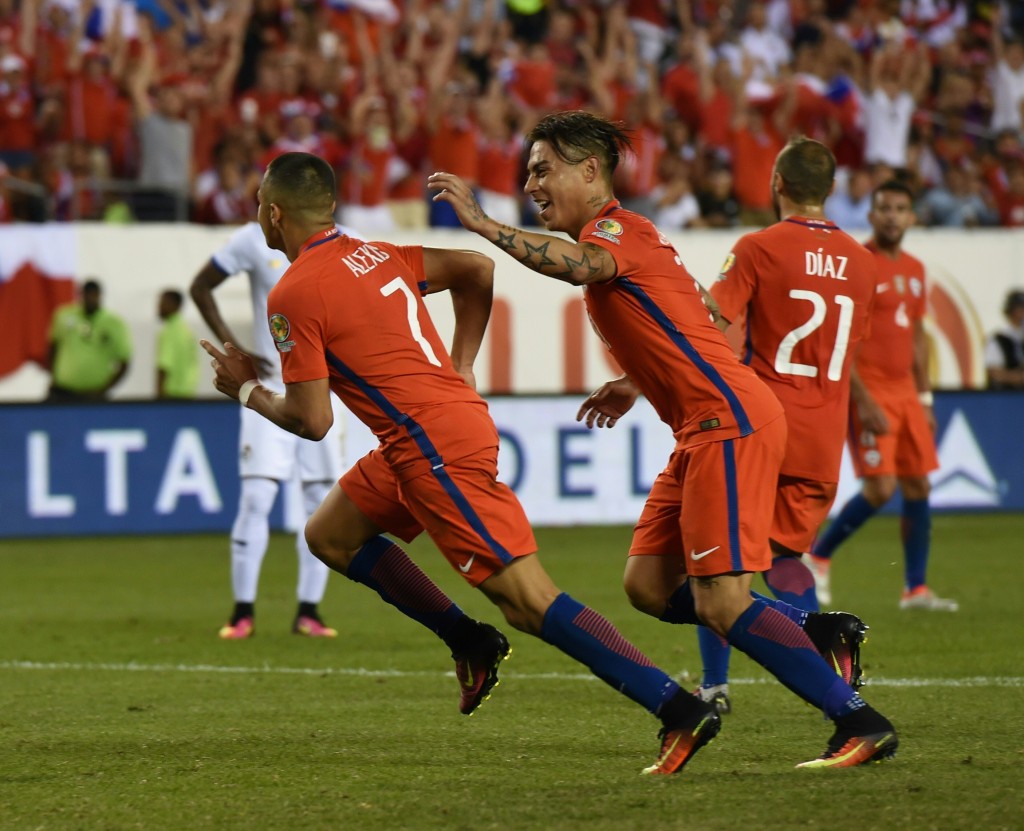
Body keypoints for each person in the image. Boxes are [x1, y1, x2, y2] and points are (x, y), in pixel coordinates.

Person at [203, 151, 735, 778]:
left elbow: (312, 422)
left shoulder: (292, 293)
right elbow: (476, 269)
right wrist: (463, 364)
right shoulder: (376, 253)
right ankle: (469, 639)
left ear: (272, 215)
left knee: (528, 601)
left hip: (430, 447)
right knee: (331, 535)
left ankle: (674, 706)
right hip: (433, 431)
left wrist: (243, 389)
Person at [428, 114, 897, 769]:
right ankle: (817, 628)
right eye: (528, 171)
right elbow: (700, 323)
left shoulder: (615, 229)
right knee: (648, 584)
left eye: (543, 168)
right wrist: (634, 381)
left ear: (590, 171)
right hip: (702, 428)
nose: (531, 182)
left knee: (722, 601)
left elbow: (581, 266)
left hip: (728, 421)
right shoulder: (635, 241)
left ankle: (858, 722)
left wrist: (484, 225)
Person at [692, 136, 881, 712]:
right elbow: (846, 357)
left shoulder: (758, 248)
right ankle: (824, 631)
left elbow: (715, 319)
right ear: (826, 190)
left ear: (777, 183)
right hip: (823, 436)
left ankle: (716, 686)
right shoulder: (864, 262)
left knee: (712, 554)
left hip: (760, 424)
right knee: (780, 557)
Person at [190, 221, 358, 639]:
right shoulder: (253, 239)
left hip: (324, 391)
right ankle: (242, 612)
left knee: (321, 502)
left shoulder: (351, 242)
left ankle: (309, 612)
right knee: (257, 497)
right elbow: (200, 287)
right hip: (265, 392)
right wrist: (235, 347)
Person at [806, 181, 958, 612]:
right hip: (870, 391)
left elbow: (917, 339)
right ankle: (818, 556)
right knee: (879, 488)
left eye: (900, 208)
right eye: (884, 208)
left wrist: (925, 399)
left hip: (908, 394)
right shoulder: (860, 264)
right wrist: (863, 398)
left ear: (912, 217)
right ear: (870, 216)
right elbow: (842, 336)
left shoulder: (914, 268)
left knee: (918, 484)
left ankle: (915, 590)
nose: (892, 215)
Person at [48, 278, 132, 402]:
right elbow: (53, 347)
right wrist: (53, 376)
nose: (90, 298)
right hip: (62, 392)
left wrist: (104, 389)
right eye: (86, 294)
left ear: (100, 295)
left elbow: (124, 362)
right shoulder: (64, 315)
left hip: (95, 396)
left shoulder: (114, 323)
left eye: (94, 294)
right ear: (80, 295)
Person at [155, 289, 199, 399]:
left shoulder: (170, 331)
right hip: (187, 393)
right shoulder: (186, 331)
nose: (158, 307)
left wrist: (159, 397)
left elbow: (164, 365)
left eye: (162, 303)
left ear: (175, 305)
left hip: (171, 396)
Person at [985, 289, 1024, 389]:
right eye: (1020, 308)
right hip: (1006, 396)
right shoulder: (999, 339)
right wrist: (1017, 378)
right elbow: (994, 372)